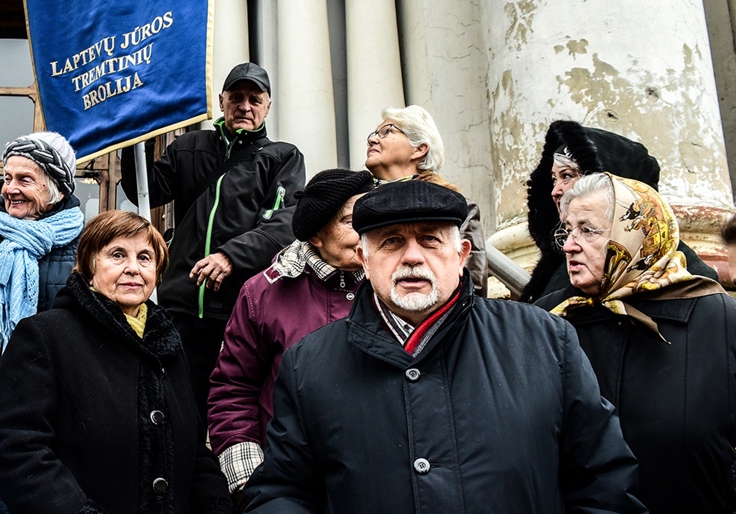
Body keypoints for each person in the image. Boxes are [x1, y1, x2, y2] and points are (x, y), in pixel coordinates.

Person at [241, 180, 646, 513]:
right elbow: (282, 493)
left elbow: (604, 484)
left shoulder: (546, 340)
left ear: (461, 254)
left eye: (430, 240)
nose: (412, 257)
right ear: (364, 259)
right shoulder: (308, 364)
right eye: (392, 242)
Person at [0, 211, 232, 514]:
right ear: (89, 265)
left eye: (145, 258)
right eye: (117, 255)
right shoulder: (45, 335)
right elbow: (17, 448)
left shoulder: (167, 343)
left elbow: (194, 452)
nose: (133, 268)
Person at [539, 173, 735, 513]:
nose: (570, 244)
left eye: (587, 230)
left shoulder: (719, 317)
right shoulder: (545, 319)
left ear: (637, 232)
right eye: (567, 230)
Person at [121, 61, 305, 422]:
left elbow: (285, 223)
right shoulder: (189, 146)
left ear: (268, 106)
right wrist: (129, 140)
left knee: (234, 411)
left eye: (255, 99)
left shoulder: (282, 157)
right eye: (236, 97)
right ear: (222, 101)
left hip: (241, 309)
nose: (245, 106)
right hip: (180, 306)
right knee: (175, 411)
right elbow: (147, 189)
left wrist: (229, 256)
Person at [207, 168, 373, 495]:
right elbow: (233, 390)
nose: (367, 231)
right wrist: (253, 484)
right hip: (292, 483)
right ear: (316, 236)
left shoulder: (392, 285)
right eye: (352, 221)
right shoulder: (262, 293)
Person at [522, 119, 719, 302]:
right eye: (554, 179)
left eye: (567, 176)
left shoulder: (692, 280)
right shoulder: (564, 272)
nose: (556, 191)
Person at [0, 131, 83, 423]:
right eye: (7, 178)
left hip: (66, 401)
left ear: (58, 188)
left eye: (24, 179)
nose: (9, 189)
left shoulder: (87, 248)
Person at [363, 105, 488, 294]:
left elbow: (472, 283)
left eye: (386, 132)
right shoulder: (356, 205)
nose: (372, 139)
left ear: (419, 149)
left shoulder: (457, 206)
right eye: (374, 134)